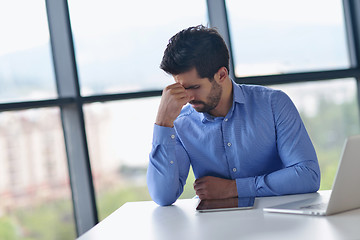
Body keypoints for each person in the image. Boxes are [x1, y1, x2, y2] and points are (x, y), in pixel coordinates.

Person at [147, 25, 320, 206]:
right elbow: (163, 197)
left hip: (279, 223)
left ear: (221, 75)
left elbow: (308, 175)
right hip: (217, 229)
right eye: (181, 88)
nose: (187, 98)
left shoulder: (273, 104)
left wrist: (233, 188)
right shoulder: (182, 124)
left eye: (195, 87)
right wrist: (162, 122)